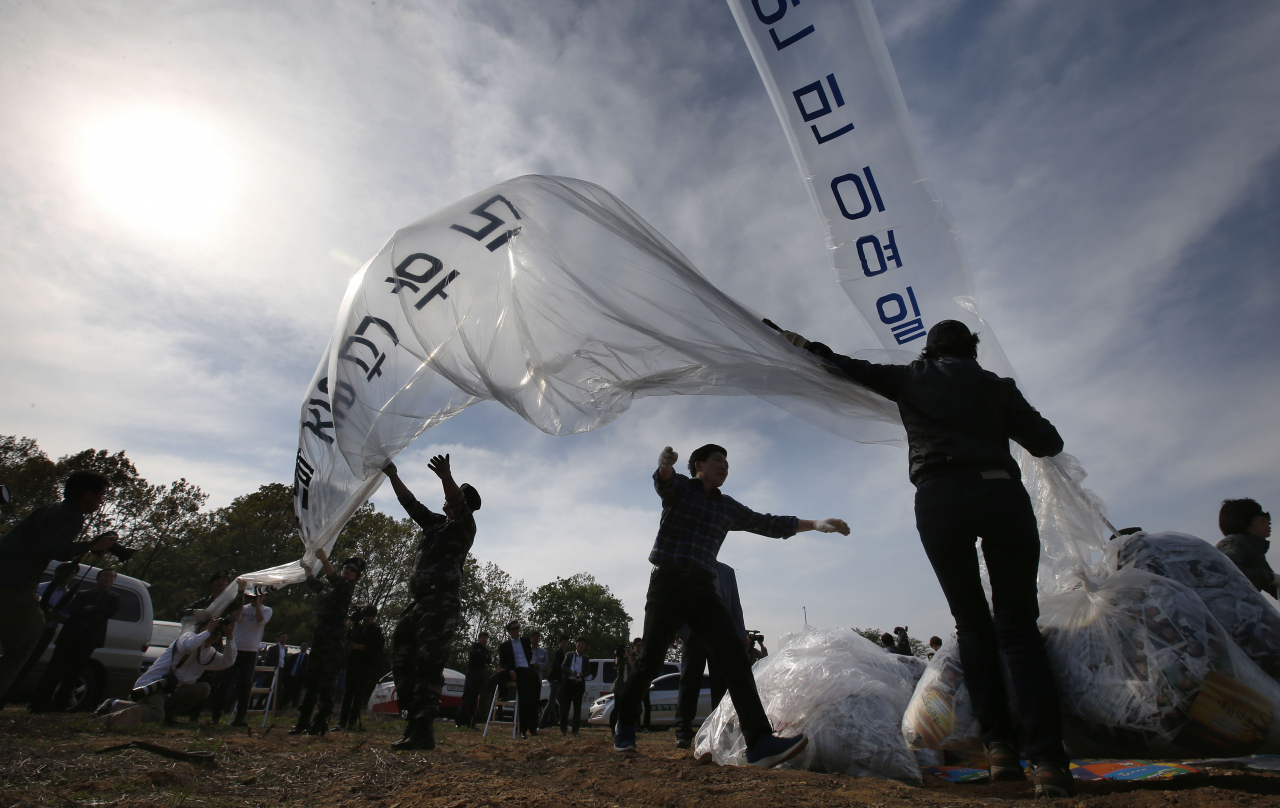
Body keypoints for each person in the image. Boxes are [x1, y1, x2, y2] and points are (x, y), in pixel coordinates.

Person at [779, 319, 1073, 797]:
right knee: (1018, 626)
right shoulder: (997, 387)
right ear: (971, 351)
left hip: (940, 498)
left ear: (930, 351)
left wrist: (798, 343)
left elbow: (841, 366)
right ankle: (1048, 760)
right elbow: (1049, 442)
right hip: (1001, 495)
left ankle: (1000, 751)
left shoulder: (911, 377)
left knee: (973, 625)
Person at [611, 443, 848, 767]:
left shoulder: (727, 507)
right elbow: (664, 481)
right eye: (717, 460)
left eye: (727, 462)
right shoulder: (681, 488)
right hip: (668, 584)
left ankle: (760, 742)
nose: (724, 466)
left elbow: (767, 523)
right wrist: (664, 465)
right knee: (650, 662)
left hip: (704, 590)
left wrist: (815, 523)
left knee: (735, 659)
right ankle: (625, 725)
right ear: (698, 465)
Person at [383, 454, 480, 750]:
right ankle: (413, 718)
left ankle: (423, 730)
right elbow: (410, 504)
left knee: (429, 661)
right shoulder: (436, 524)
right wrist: (392, 475)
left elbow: (457, 500)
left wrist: (446, 477)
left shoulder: (465, 527)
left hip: (442, 601)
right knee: (402, 651)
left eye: (455, 498)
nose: (448, 500)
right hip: (421, 602)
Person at [0, 470, 119, 697]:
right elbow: (47, 550)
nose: (102, 501)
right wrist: (90, 546)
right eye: (101, 495)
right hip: (14, 586)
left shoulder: (49, 508)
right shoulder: (72, 516)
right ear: (87, 495)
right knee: (26, 641)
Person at [95, 616, 238, 727]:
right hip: (156, 687)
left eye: (216, 632)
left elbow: (227, 662)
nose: (214, 634)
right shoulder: (187, 637)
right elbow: (188, 647)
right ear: (201, 628)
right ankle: (113, 704)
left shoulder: (209, 653)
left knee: (203, 688)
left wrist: (230, 637)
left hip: (174, 691)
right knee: (155, 718)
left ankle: (165, 714)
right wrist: (207, 631)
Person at [290, 547, 363, 736]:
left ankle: (321, 722)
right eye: (346, 566)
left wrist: (324, 561)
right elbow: (314, 583)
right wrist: (307, 568)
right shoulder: (330, 587)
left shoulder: (346, 587)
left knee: (327, 680)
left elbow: (334, 579)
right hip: (321, 632)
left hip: (335, 635)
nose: (348, 570)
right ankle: (303, 721)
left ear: (355, 577)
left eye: (353, 570)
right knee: (312, 678)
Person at [675, 561, 747, 750]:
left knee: (721, 683)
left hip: (721, 633)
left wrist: (741, 634)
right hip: (694, 633)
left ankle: (720, 730)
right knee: (689, 680)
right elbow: (678, 599)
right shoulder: (689, 567)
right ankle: (683, 732)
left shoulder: (727, 572)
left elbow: (734, 605)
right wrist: (678, 629)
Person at [29, 567, 119, 713]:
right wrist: (96, 612)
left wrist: (92, 608)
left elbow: (110, 611)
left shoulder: (114, 597)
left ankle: (58, 706)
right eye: (105, 575)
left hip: (89, 639)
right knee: (54, 670)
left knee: (73, 673)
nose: (108, 578)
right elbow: (74, 610)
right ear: (97, 578)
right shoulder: (83, 594)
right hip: (69, 636)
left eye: (111, 576)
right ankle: (39, 705)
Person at [1, 561, 79, 706]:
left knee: (28, 665)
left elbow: (70, 616)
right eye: (66, 571)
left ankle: (6, 698)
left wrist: (59, 616)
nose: (69, 575)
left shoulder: (70, 596)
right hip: (26, 628)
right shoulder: (40, 587)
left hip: (47, 631)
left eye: (72, 573)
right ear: (56, 573)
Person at [210, 588, 271, 726]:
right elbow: (235, 619)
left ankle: (240, 718)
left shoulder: (267, 610)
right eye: (254, 596)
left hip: (250, 651)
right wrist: (241, 600)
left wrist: (258, 604)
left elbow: (260, 621)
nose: (255, 598)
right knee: (224, 682)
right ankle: (216, 715)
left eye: (260, 596)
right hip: (235, 648)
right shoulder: (243, 608)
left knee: (245, 685)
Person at [336, 604, 385, 731]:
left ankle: (352, 721)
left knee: (358, 695)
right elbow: (349, 639)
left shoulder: (376, 630)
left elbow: (375, 648)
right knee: (348, 694)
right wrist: (351, 623)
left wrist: (358, 647)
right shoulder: (359, 628)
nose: (365, 620)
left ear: (373, 617)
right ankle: (342, 722)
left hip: (364, 666)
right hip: (353, 663)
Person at [489, 620, 539, 738]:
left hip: (525, 670)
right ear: (509, 632)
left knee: (526, 700)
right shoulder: (504, 646)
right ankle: (504, 694)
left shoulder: (526, 641)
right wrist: (511, 671)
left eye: (517, 628)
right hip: (513, 669)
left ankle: (524, 729)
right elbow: (503, 662)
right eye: (513, 629)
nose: (516, 630)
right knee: (499, 676)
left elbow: (532, 653)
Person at [1216, 499, 1275, 596]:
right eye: (1265, 516)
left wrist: (1271, 578)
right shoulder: (1235, 542)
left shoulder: (1252, 548)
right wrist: (1271, 578)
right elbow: (1227, 570)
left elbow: (1273, 584)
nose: (1269, 521)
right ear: (1248, 519)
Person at [456, 632, 490, 728]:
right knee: (467, 696)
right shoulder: (475, 646)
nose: (484, 640)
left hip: (480, 674)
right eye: (483, 638)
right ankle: (459, 721)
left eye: (486, 639)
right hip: (472, 673)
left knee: (475, 699)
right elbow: (476, 654)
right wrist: (484, 657)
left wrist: (482, 656)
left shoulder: (485, 650)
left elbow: (489, 660)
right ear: (479, 638)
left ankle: (470, 722)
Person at [559, 637, 589, 736]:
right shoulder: (569, 655)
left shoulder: (585, 658)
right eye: (579, 643)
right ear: (576, 645)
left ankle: (575, 730)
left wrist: (581, 674)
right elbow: (563, 666)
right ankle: (563, 730)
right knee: (565, 707)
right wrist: (571, 672)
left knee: (577, 708)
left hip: (578, 683)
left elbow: (588, 671)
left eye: (582, 643)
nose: (580, 645)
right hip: (568, 683)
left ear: (584, 646)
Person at [540, 635, 569, 729]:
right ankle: (542, 725)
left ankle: (563, 725)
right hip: (555, 681)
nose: (564, 645)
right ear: (559, 643)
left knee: (562, 703)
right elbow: (556, 665)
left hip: (559, 682)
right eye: (563, 643)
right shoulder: (558, 652)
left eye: (566, 643)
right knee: (551, 703)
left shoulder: (562, 653)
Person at [282, 642, 309, 708]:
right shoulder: (294, 656)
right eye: (303, 645)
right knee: (286, 693)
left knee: (296, 696)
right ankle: (282, 706)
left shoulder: (308, 659)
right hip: (290, 677)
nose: (304, 647)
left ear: (307, 648)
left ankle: (294, 708)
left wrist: (305, 683)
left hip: (299, 680)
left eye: (305, 646)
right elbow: (287, 667)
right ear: (300, 646)